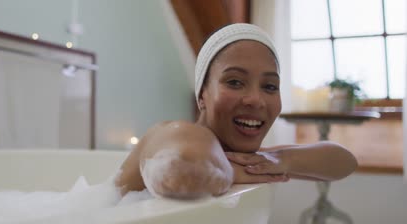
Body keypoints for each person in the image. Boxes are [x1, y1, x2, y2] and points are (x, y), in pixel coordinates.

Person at [115, 23, 357, 199]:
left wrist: (279, 159)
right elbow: (180, 173)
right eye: (234, 82)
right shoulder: (177, 133)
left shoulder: (239, 157)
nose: (256, 100)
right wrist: (229, 172)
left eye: (270, 86)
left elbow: (344, 161)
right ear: (202, 95)